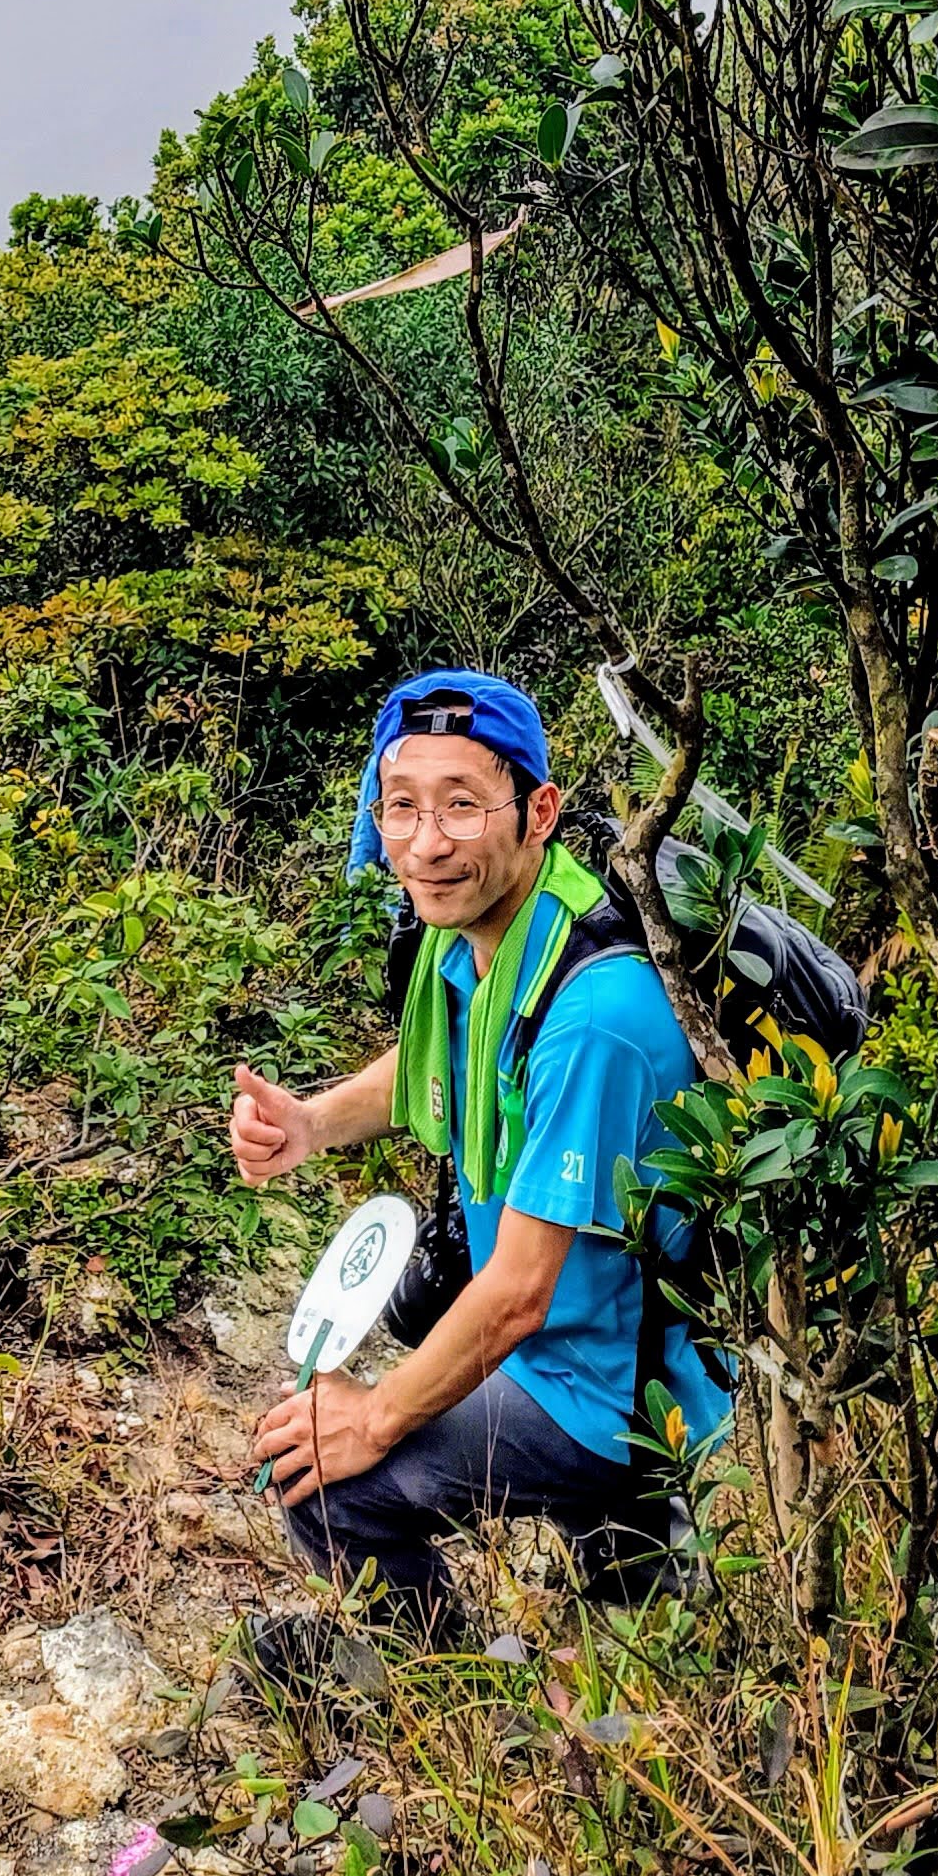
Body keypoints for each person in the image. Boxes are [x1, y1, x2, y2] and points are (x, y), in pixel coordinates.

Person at [227, 669, 728, 1677]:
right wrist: (312, 1123)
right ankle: (635, 1580)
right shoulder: (498, 941)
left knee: (318, 1475)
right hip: (575, 1340)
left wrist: (373, 1418)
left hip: (603, 1385)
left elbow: (517, 1296)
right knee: (642, 1634)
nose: (426, 844)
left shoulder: (597, 1013)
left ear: (538, 810)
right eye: (401, 807)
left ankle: (439, 1685)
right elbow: (442, 1061)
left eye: (461, 804)